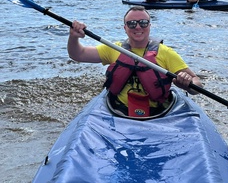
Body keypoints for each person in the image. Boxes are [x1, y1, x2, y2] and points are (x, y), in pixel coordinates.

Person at [68, 6, 203, 118]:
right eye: (132, 24)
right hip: (119, 111)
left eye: (143, 23)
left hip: (158, 113)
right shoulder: (114, 49)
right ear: (125, 28)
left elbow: (197, 83)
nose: (138, 27)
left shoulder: (166, 53)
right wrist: (73, 37)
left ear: (149, 26)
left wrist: (188, 85)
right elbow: (78, 54)